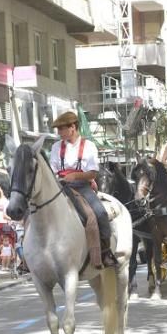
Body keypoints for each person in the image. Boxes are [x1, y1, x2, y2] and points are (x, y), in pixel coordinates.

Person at [49, 109, 117, 267]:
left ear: (72, 127)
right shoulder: (55, 147)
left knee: (100, 212)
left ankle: (105, 251)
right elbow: (52, 170)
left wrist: (75, 176)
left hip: (81, 187)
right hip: (60, 186)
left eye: (61, 129)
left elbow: (93, 172)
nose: (59, 133)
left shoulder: (89, 146)